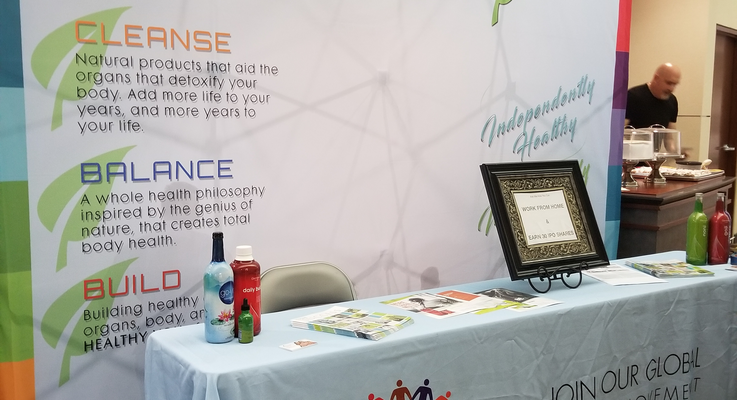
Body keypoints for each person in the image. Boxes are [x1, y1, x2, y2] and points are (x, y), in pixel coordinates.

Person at [625, 63, 681, 129]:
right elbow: (618, 129)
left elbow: (671, 133)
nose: (672, 89)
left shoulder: (672, 100)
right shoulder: (632, 96)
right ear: (656, 78)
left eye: (674, 84)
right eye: (669, 83)